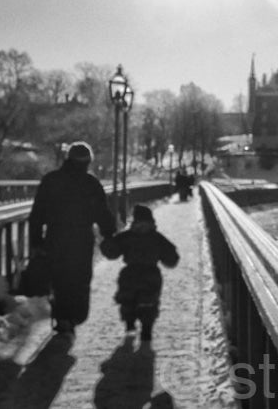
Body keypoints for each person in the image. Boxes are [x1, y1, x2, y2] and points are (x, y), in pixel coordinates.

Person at [28, 141, 116, 338]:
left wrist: (36, 242)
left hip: (55, 237)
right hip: (81, 238)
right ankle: (74, 317)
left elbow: (37, 215)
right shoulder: (91, 184)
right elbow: (102, 212)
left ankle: (62, 318)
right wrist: (109, 234)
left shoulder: (51, 180)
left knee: (59, 278)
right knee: (80, 278)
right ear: (88, 161)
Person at [100, 204, 179, 342]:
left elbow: (112, 252)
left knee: (127, 300)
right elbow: (171, 258)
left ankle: (130, 325)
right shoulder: (157, 237)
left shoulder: (126, 237)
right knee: (149, 302)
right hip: (151, 274)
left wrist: (106, 243)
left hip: (129, 274)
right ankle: (146, 330)